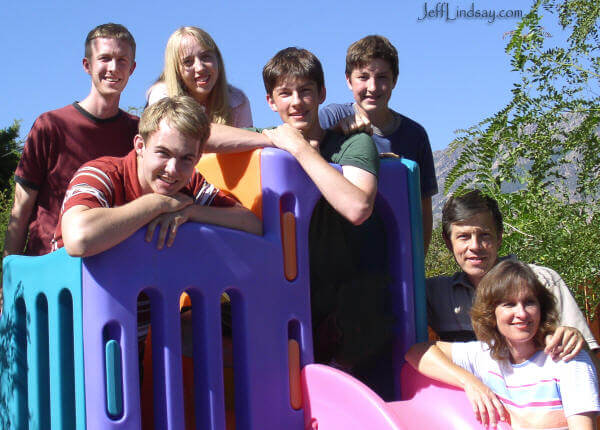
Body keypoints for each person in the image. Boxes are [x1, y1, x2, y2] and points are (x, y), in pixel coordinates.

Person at [259, 47, 394, 396]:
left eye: (305, 91)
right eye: (285, 93)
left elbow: (357, 206)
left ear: (321, 93)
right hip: (281, 290)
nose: (297, 102)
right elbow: (201, 136)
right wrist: (269, 139)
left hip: (344, 296)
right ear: (271, 101)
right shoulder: (269, 141)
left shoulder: (352, 142)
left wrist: (303, 150)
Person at [53, 95, 261, 257]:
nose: (173, 169)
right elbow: (79, 239)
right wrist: (157, 204)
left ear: (197, 158)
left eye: (186, 158)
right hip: (73, 303)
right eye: (164, 153)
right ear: (140, 146)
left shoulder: (191, 184)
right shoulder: (101, 174)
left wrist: (191, 212)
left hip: (147, 304)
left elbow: (252, 224)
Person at [407, 259, 599, 430]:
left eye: (529, 303)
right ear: (492, 313)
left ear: (542, 308)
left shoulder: (567, 360)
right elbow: (417, 353)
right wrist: (470, 382)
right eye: (509, 304)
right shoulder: (486, 354)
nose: (522, 313)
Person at [4, 23, 138, 259]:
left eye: (122, 60)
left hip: (111, 269)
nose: (113, 68)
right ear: (87, 65)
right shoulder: (50, 125)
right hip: (47, 270)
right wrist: (8, 276)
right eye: (104, 58)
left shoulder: (138, 133)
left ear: (132, 68)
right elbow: (21, 210)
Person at [427, 189, 599, 355]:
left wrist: (577, 342)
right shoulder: (435, 294)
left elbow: (589, 364)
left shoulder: (542, 281)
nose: (475, 246)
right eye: (464, 236)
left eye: (484, 235)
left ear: (499, 237)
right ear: (448, 243)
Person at [318, 35, 437, 254]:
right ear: (348, 80)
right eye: (363, 77)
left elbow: (423, 210)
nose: (372, 87)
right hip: (337, 252)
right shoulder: (330, 118)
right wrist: (334, 133)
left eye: (382, 77)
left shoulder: (415, 135)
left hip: (392, 254)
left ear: (395, 80)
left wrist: (418, 264)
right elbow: (305, 152)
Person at [146, 26, 252, 128]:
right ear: (176, 70)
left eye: (206, 57)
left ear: (218, 60)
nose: (200, 68)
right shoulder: (162, 95)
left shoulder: (237, 101)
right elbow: (181, 136)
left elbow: (251, 143)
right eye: (188, 62)